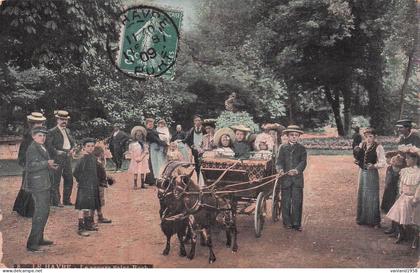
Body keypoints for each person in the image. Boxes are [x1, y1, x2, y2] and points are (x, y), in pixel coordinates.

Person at [24, 126, 58, 252]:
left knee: (44, 212)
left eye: (44, 136)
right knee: (40, 212)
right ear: (33, 136)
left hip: (44, 183)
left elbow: (42, 162)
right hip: (38, 185)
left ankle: (40, 238)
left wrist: (51, 166)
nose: (42, 138)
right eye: (39, 135)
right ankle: (32, 244)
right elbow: (30, 166)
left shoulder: (41, 146)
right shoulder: (32, 148)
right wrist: (46, 164)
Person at [386, 145, 420, 249]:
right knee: (397, 216)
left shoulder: (419, 172)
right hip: (404, 197)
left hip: (414, 198)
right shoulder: (405, 170)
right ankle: (402, 234)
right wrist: (401, 192)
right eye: (406, 158)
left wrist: (416, 198)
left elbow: (419, 187)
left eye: (408, 158)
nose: (406, 159)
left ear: (415, 159)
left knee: (414, 220)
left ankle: (416, 238)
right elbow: (401, 183)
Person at [13, 112, 46, 218]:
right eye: (37, 123)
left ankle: (24, 208)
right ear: (32, 124)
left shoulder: (41, 136)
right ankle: (26, 210)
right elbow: (22, 156)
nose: (39, 124)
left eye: (40, 122)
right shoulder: (28, 138)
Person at [276, 125, 307, 231]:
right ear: (287, 136)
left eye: (296, 135)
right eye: (291, 135)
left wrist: (297, 170)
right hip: (285, 179)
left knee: (297, 202)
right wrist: (280, 170)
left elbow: (303, 162)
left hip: (297, 180)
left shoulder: (302, 149)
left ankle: (296, 223)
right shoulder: (282, 148)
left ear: (299, 137)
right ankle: (287, 222)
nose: (294, 137)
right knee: (285, 201)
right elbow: (279, 162)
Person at [353, 128, 386, 228]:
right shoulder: (362, 145)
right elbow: (358, 157)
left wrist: (374, 166)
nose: (368, 139)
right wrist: (357, 161)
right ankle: (362, 218)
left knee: (372, 195)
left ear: (374, 137)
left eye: (370, 136)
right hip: (362, 172)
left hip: (372, 173)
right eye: (366, 136)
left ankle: (374, 221)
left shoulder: (378, 147)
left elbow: (383, 162)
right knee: (362, 193)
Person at [46, 110, 76, 207]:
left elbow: (72, 143)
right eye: (62, 119)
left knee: (69, 178)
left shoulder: (68, 130)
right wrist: (57, 152)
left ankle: (66, 200)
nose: (64, 121)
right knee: (56, 179)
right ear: (57, 120)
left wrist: (72, 149)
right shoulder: (51, 131)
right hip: (57, 158)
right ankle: (56, 201)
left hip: (67, 157)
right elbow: (49, 146)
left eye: (66, 120)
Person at [73, 138, 101, 237]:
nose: (90, 148)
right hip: (84, 186)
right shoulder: (82, 159)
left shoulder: (92, 158)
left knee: (90, 205)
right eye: (88, 146)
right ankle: (81, 227)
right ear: (84, 147)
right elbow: (76, 172)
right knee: (83, 206)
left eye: (92, 146)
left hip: (92, 185)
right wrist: (82, 181)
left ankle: (89, 224)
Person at [381, 152, 405, 235]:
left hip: (396, 192)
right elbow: (387, 180)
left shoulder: (401, 172)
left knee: (397, 209)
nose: (395, 167)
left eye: (397, 166)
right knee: (391, 208)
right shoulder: (389, 169)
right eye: (394, 165)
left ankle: (397, 228)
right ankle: (393, 227)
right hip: (389, 192)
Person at [92, 146, 113, 224]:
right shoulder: (97, 162)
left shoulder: (98, 161)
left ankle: (98, 216)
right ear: (100, 154)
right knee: (98, 201)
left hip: (99, 183)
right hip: (98, 184)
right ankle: (98, 217)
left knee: (98, 201)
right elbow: (101, 173)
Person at [184, 115, 206, 179]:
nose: (198, 122)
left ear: (201, 121)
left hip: (203, 150)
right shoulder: (192, 129)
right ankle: (197, 178)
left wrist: (203, 147)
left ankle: (203, 179)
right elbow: (187, 139)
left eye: (199, 120)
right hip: (195, 150)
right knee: (196, 165)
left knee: (203, 165)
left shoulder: (203, 129)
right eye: (196, 120)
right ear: (194, 122)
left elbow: (207, 139)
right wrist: (192, 146)